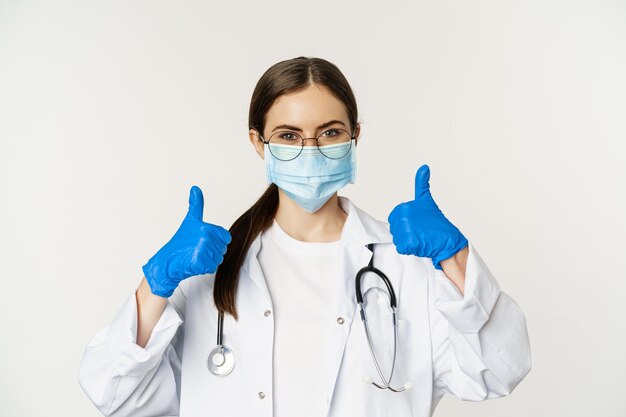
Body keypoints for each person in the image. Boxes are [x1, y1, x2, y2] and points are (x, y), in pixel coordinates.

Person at [78, 56, 531, 417]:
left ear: (355, 135)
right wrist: (155, 283)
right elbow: (112, 394)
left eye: (329, 133)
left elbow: (496, 373)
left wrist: (456, 256)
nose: (310, 151)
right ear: (258, 143)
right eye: (289, 135)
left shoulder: (405, 266)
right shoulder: (208, 270)